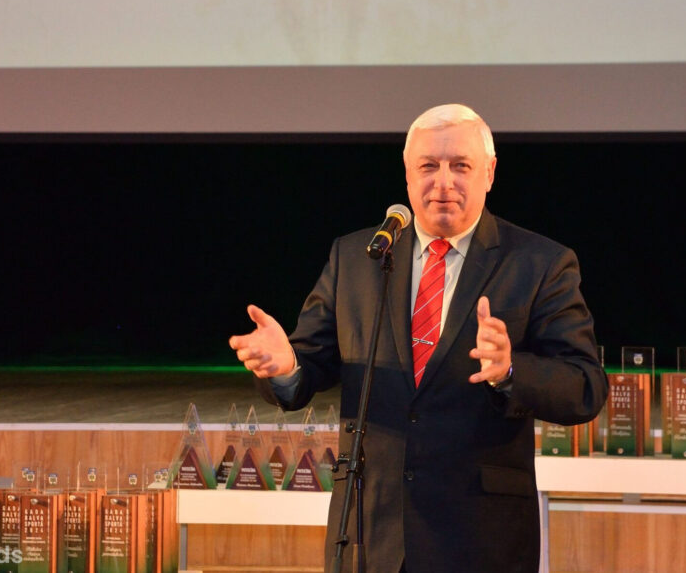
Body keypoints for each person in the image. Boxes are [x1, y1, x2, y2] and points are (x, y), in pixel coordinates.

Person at [229, 104, 608, 573]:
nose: (443, 182)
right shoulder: (359, 257)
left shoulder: (539, 262)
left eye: (460, 166)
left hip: (480, 538)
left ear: (489, 173)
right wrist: (287, 367)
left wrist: (511, 370)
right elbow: (310, 365)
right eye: (429, 166)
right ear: (407, 174)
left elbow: (585, 386)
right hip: (370, 533)